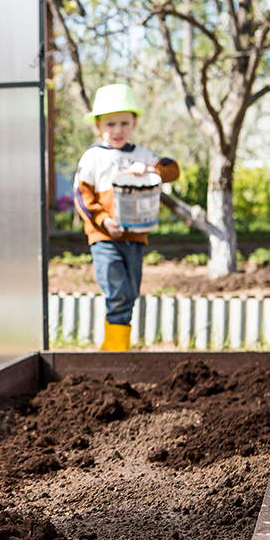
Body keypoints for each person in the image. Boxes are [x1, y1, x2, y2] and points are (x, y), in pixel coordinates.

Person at [72, 84, 180, 351]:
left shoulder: (141, 155)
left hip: (135, 236)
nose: (117, 130)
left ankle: (118, 346)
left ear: (134, 123)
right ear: (98, 126)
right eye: (110, 124)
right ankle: (114, 350)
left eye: (124, 123)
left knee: (130, 292)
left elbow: (172, 170)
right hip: (105, 237)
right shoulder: (94, 157)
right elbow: (82, 196)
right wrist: (103, 222)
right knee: (117, 290)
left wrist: (149, 169)